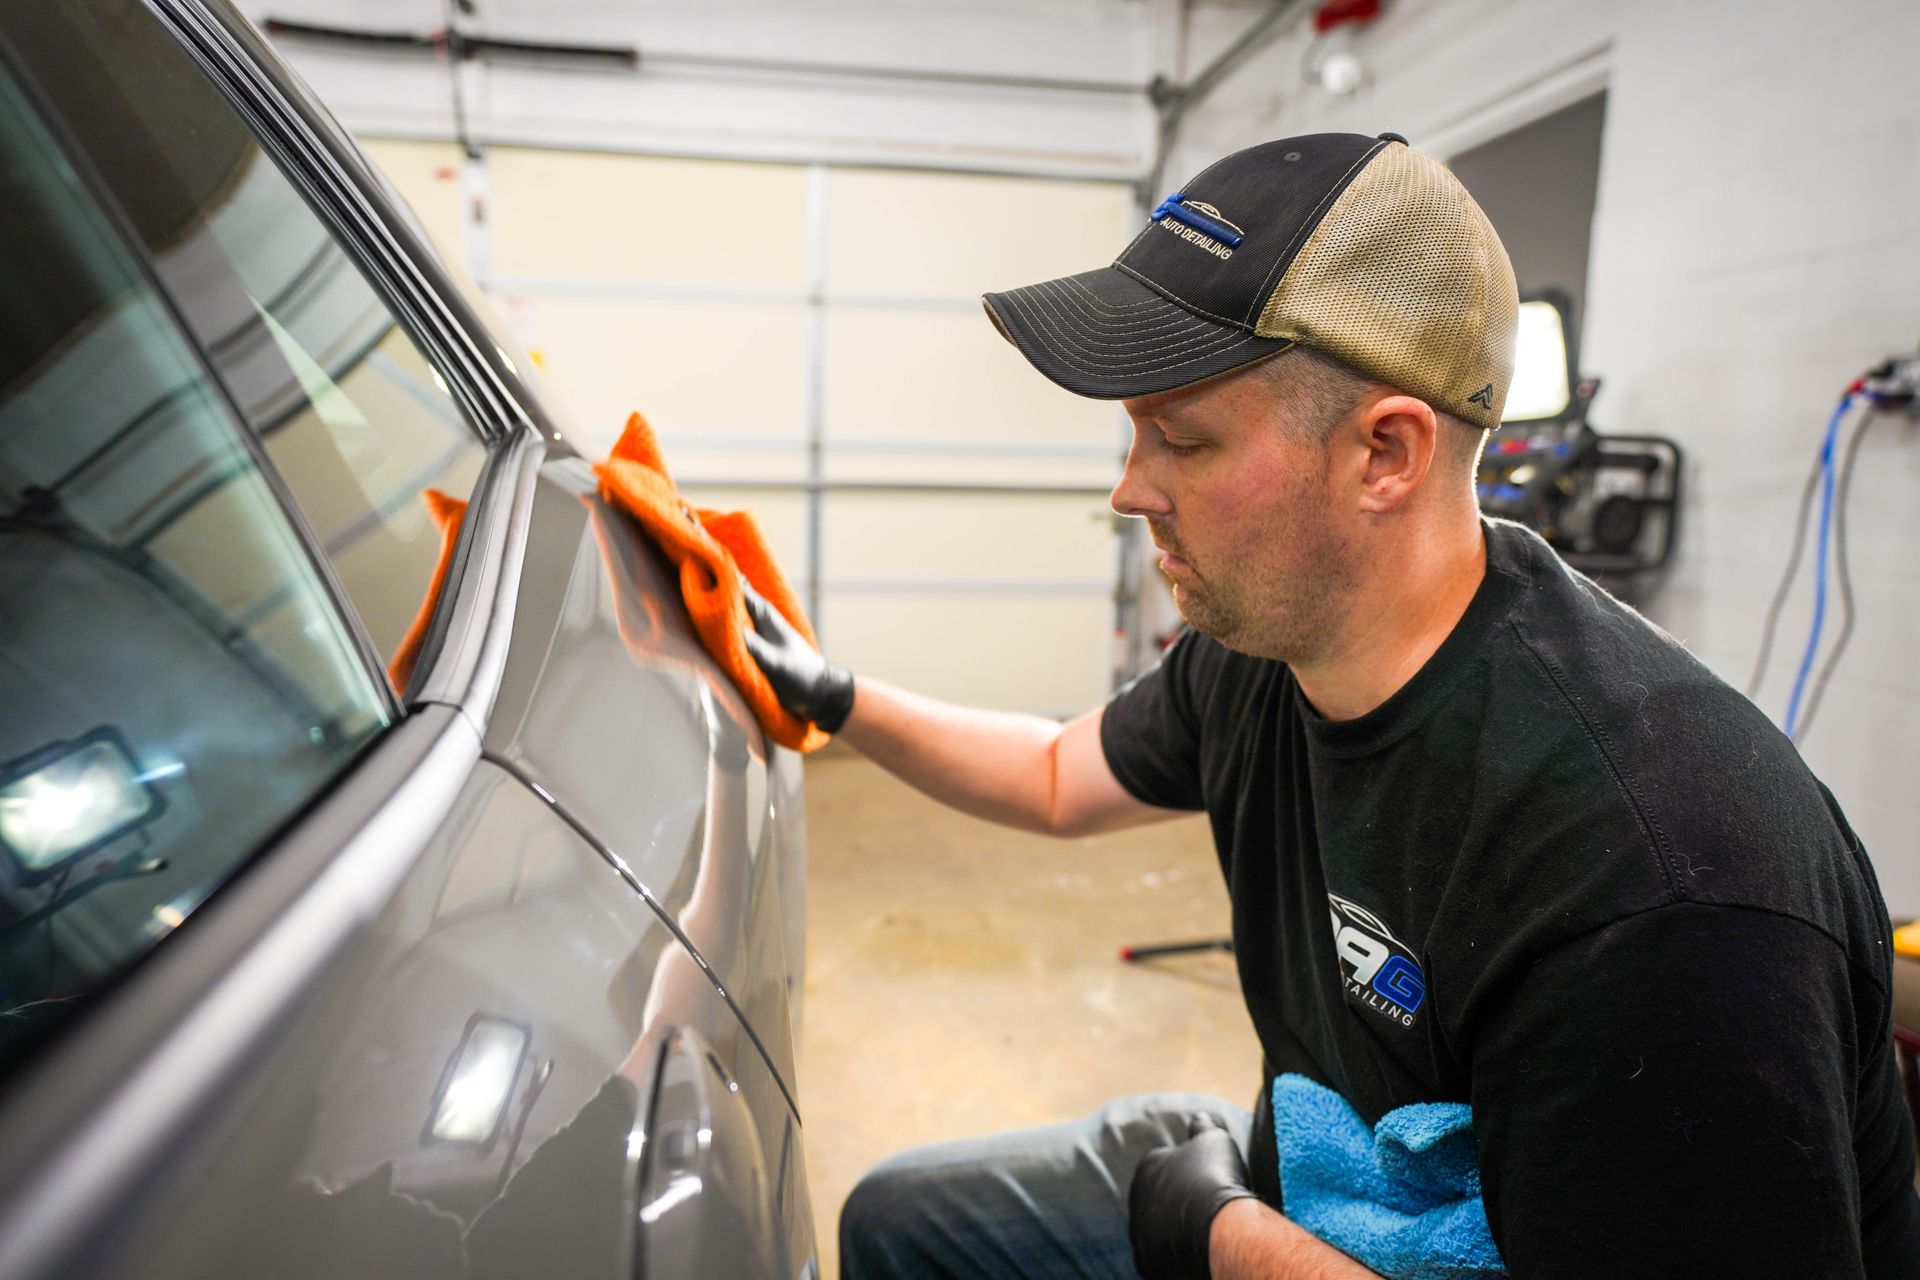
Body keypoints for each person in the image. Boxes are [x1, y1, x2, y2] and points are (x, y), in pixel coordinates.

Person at [743, 132, 1920, 1279]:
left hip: (1313, 1221)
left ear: (1384, 454)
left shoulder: (1655, 884)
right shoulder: (1273, 643)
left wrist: (1222, 1235)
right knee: (903, 1221)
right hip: (1319, 1181)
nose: (1129, 488)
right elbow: (1058, 771)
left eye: (1183, 439)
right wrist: (835, 698)